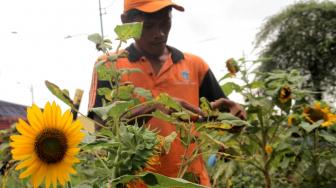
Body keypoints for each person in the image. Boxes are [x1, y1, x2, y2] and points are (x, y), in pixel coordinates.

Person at [88, 0, 246, 186]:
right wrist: (155, 107)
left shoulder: (195, 65)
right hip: (135, 183)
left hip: (191, 181)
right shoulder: (110, 65)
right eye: (148, 26)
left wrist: (234, 119)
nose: (159, 33)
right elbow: (102, 132)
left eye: (165, 22)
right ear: (125, 21)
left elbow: (212, 118)